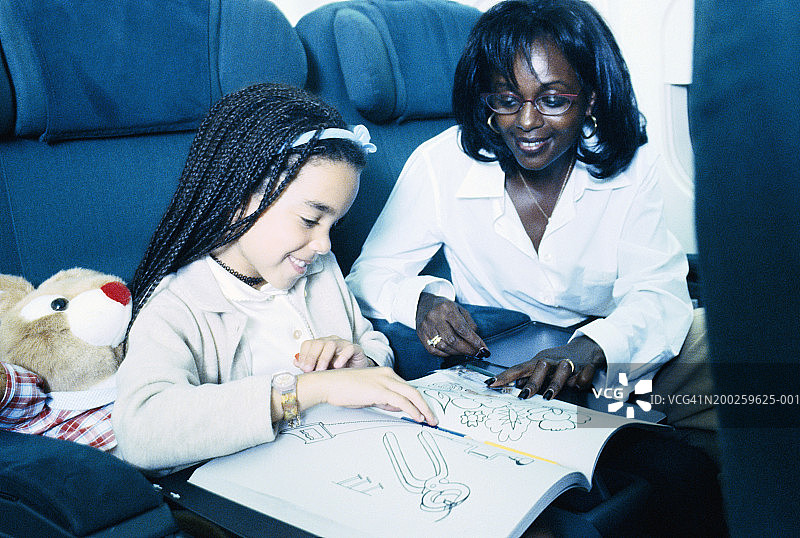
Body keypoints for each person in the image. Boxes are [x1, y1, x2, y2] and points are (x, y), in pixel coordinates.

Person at [346, 0, 716, 457]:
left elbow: (657, 295)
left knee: (757, 377)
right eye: (506, 100)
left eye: (553, 100)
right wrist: (420, 301)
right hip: (508, 369)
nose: (526, 122)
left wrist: (591, 348)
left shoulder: (633, 168)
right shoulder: (441, 163)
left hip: (614, 357)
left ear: (592, 97)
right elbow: (366, 276)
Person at [113, 83, 436, 471]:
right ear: (238, 196)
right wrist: (307, 390)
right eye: (310, 220)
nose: (324, 244)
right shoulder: (180, 304)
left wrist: (358, 361)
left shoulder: (319, 271)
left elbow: (370, 341)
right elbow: (142, 431)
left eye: (335, 224)